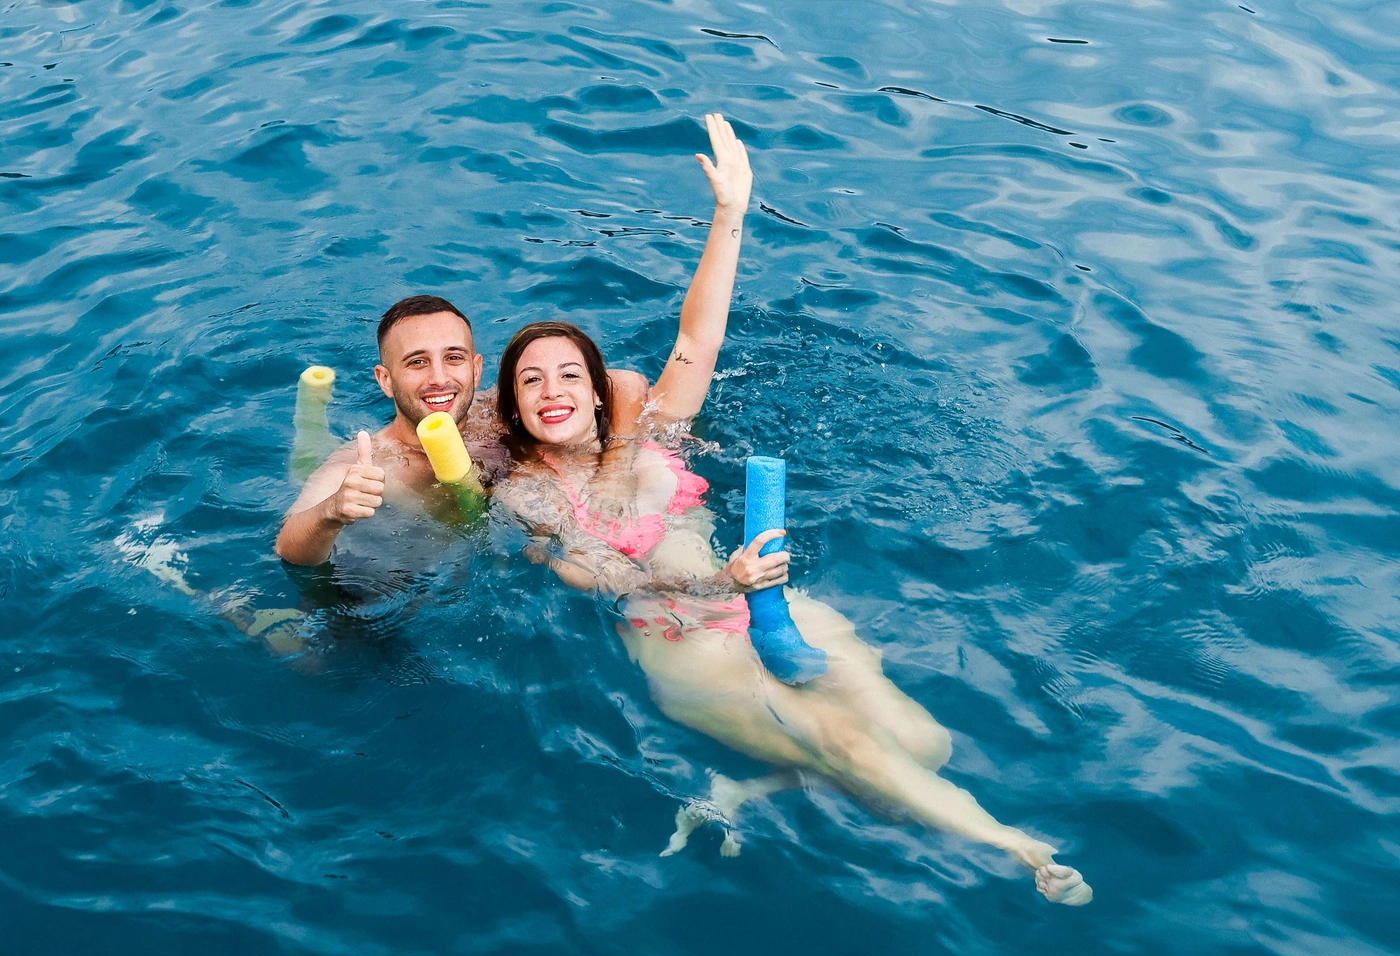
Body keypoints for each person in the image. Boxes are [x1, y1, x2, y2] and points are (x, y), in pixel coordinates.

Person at [492, 114, 1093, 905]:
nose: (552, 390)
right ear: (513, 406)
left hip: (764, 604)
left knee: (924, 742)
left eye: (569, 374)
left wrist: (729, 213)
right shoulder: (527, 490)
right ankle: (1017, 847)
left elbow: (698, 336)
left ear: (599, 392)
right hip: (683, 643)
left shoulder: (653, 430)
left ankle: (752, 786)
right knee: (843, 739)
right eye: (531, 380)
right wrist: (724, 584)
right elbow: (598, 575)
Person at [274, 293, 652, 565]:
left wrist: (616, 470)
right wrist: (333, 511)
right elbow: (287, 546)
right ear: (385, 380)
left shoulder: (495, 411)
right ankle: (311, 420)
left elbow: (624, 383)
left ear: (475, 368)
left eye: (453, 358)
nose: (439, 378)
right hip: (399, 572)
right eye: (417, 362)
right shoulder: (372, 462)